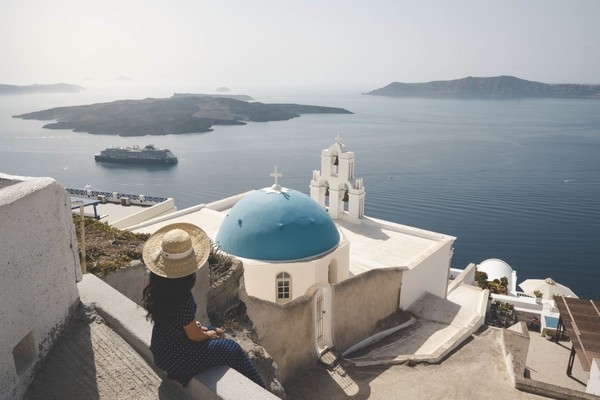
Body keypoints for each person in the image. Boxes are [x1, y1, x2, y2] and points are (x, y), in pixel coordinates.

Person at [141, 222, 265, 388]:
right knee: (232, 348)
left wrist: (206, 330)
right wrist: (209, 335)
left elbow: (180, 326)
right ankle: (261, 390)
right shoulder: (183, 300)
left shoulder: (159, 291)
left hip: (162, 351)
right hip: (177, 357)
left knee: (217, 331)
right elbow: (194, 336)